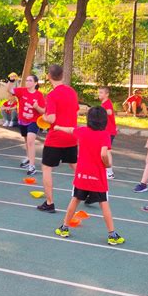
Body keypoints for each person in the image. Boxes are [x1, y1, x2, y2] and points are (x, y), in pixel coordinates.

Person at [54, 106, 125, 245]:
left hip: (82, 175)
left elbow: (70, 130)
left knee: (74, 200)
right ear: (104, 121)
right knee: (104, 204)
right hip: (97, 177)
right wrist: (107, 164)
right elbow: (104, 153)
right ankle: (112, 235)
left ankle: (64, 227)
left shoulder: (82, 131)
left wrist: (57, 127)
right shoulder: (104, 135)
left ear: (89, 120)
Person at [37, 65, 79, 213]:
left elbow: (52, 118)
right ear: (62, 75)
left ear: (49, 76)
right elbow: (75, 111)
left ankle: (50, 202)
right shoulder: (72, 92)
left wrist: (43, 117)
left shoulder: (52, 95)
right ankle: (91, 191)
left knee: (47, 168)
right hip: (72, 135)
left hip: (56, 137)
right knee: (75, 166)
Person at [6, 75, 45, 176]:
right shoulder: (21, 91)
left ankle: (32, 166)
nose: (27, 82)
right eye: (26, 80)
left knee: (30, 142)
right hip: (22, 120)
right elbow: (9, 90)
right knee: (26, 141)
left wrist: (37, 107)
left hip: (33, 121)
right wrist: (11, 81)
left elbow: (43, 111)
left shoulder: (39, 95)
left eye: (30, 80)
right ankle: (28, 158)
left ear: (35, 83)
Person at [99, 86, 116, 179]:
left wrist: (100, 110)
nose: (99, 94)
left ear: (107, 94)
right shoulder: (103, 103)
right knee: (102, 151)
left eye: (101, 92)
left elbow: (109, 112)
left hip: (109, 132)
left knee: (107, 151)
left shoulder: (107, 103)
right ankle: (105, 169)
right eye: (99, 92)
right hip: (105, 131)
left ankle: (109, 172)